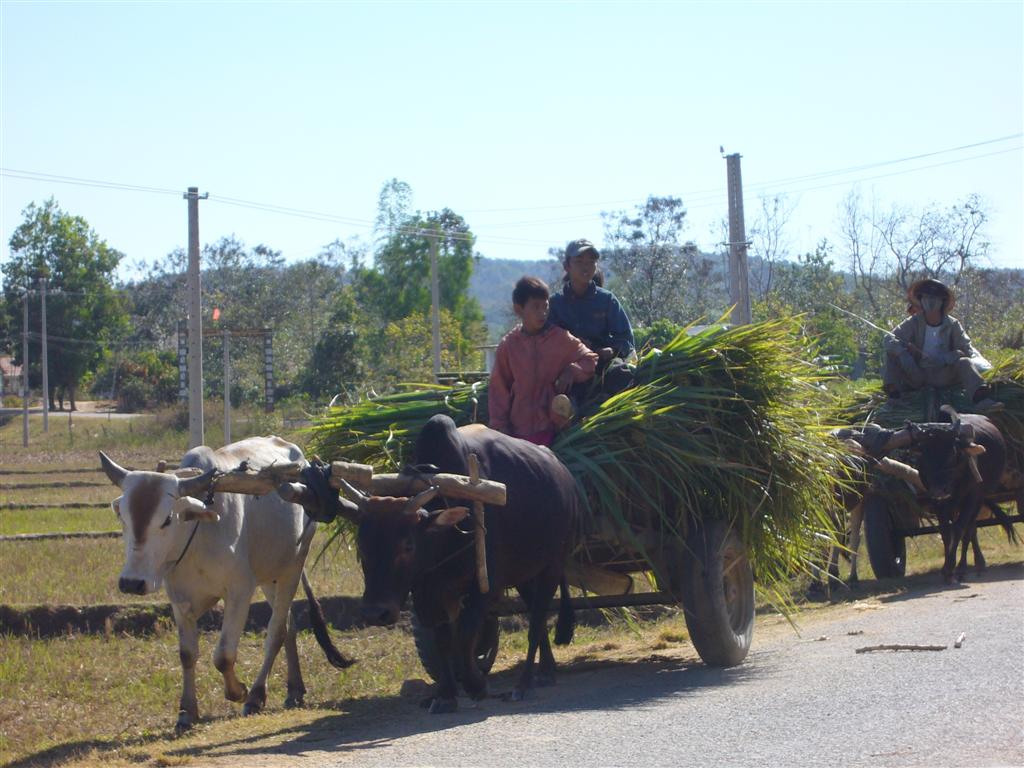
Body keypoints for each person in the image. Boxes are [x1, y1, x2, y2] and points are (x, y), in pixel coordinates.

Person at [488, 276, 598, 446]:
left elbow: (590, 359)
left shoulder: (560, 339)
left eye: (545, 307)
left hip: (551, 428)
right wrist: (500, 427)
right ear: (519, 309)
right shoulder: (509, 345)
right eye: (535, 307)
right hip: (517, 430)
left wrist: (572, 370)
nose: (542, 313)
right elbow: (499, 389)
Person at [882, 278, 1001, 411]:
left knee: (965, 362)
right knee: (891, 354)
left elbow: (966, 349)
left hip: (943, 375)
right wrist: (903, 354)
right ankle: (894, 397)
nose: (929, 302)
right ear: (921, 300)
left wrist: (945, 358)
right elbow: (889, 338)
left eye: (934, 298)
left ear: (942, 301)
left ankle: (981, 400)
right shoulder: (913, 322)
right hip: (917, 374)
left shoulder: (953, 325)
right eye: (926, 298)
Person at [548, 239, 635, 405]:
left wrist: (612, 350)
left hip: (603, 365)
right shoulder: (555, 304)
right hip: (567, 366)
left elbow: (627, 340)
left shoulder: (607, 300)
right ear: (567, 266)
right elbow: (546, 342)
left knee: (622, 373)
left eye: (591, 262)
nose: (585, 267)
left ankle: (609, 408)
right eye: (579, 262)